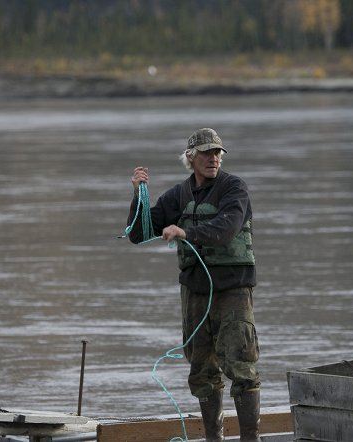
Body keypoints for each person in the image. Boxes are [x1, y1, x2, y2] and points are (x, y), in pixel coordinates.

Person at [126, 128, 261, 442]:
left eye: (217, 153)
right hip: (194, 291)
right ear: (191, 157)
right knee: (201, 369)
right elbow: (139, 233)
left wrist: (186, 233)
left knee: (240, 365)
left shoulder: (234, 188)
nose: (213, 158)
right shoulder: (178, 195)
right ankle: (214, 438)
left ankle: (250, 438)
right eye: (206, 153)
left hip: (233, 289)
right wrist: (139, 196)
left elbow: (227, 228)